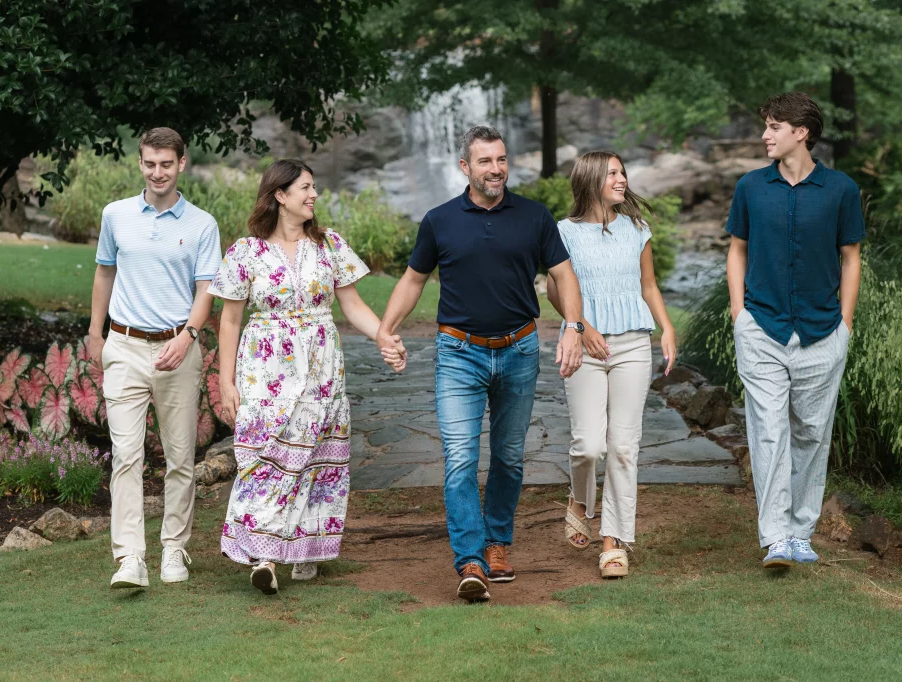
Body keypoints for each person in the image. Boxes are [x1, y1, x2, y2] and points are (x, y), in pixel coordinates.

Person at [376, 126, 585, 602]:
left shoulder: (534, 217)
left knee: (509, 458)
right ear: (465, 168)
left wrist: (573, 327)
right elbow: (413, 280)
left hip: (519, 350)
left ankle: (497, 544)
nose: (496, 169)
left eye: (502, 159)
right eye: (485, 161)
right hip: (458, 354)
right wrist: (388, 329)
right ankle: (469, 559)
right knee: (460, 461)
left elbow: (563, 275)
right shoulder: (439, 220)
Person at [209, 159, 405, 595]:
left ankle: (305, 548)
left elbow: (351, 305)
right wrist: (226, 383)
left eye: (314, 187)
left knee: (316, 456)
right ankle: (263, 555)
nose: (313, 195)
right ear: (280, 196)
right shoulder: (246, 251)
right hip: (265, 367)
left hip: (320, 363)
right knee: (263, 453)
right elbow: (229, 321)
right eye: (305, 188)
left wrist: (384, 338)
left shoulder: (329, 245)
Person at [725, 92, 864, 568]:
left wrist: (845, 323)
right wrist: (739, 312)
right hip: (761, 328)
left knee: (811, 433)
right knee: (767, 431)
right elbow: (737, 250)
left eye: (773, 127)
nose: (765, 135)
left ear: (801, 132)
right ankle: (776, 537)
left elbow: (851, 257)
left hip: (823, 332)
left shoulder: (841, 190)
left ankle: (802, 532)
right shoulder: (750, 187)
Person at [90, 127, 222, 589]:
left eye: (166, 163)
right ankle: (130, 558)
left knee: (180, 456)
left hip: (177, 348)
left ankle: (173, 549)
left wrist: (187, 338)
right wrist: (95, 332)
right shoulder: (116, 215)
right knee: (125, 455)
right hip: (123, 346)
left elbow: (206, 289)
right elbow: (105, 271)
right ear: (140, 162)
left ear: (182, 163)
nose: (158, 172)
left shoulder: (202, 224)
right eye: (150, 163)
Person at [547, 151, 679, 579]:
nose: (622, 180)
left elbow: (648, 284)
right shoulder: (563, 233)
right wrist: (581, 328)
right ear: (589, 180)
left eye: (623, 173)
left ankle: (613, 541)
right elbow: (553, 290)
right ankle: (580, 500)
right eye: (612, 174)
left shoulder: (637, 229)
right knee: (589, 445)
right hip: (585, 348)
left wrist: (667, 328)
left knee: (623, 447)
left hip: (633, 346)